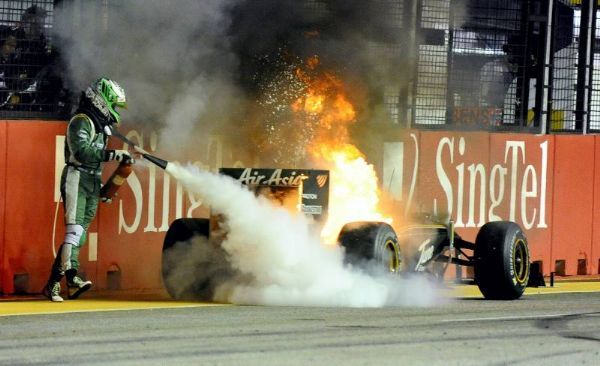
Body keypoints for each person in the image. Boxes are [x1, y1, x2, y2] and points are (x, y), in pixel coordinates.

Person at [43, 77, 134, 302]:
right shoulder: (81, 121)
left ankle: (64, 280)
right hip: (76, 176)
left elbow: (94, 160)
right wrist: (113, 155)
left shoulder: (102, 126)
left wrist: (106, 189)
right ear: (103, 101)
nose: (116, 110)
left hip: (92, 180)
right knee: (74, 233)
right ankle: (63, 280)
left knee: (79, 235)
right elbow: (82, 152)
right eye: (115, 104)